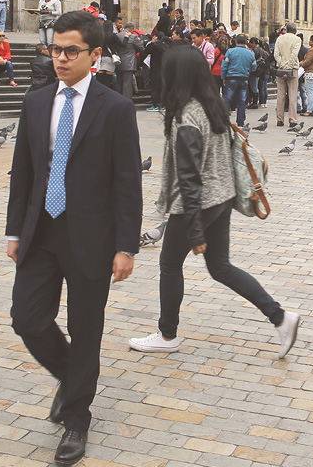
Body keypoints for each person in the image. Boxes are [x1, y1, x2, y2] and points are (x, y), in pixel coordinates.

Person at [5, 9, 141, 467]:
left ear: (95, 55)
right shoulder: (36, 101)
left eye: (70, 51)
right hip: (41, 231)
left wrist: (126, 246)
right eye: (54, 50)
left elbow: (127, 182)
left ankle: (76, 419)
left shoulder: (116, 108)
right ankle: (73, 378)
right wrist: (14, 230)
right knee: (27, 319)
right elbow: (23, 171)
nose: (60, 59)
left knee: (86, 330)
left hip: (92, 237)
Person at [128, 45, 299, 358]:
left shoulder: (186, 117)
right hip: (222, 198)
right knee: (220, 267)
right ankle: (280, 317)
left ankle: (167, 335)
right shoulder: (212, 105)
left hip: (197, 204)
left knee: (169, 264)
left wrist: (194, 231)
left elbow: (189, 178)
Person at [221, 34, 255, 126]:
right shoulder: (250, 53)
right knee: (242, 100)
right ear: (246, 42)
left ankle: (224, 120)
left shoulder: (230, 51)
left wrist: (223, 77)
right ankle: (240, 121)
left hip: (231, 78)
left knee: (227, 99)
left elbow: (224, 66)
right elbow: (254, 67)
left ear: (235, 41)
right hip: (244, 78)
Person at [273, 24, 301, 127]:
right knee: (292, 95)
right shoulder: (297, 39)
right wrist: (288, 66)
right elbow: (294, 54)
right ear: (295, 30)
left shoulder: (279, 38)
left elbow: (276, 54)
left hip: (281, 68)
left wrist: (282, 65)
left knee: (280, 94)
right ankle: (292, 119)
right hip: (292, 68)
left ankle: (279, 119)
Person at [108, 18, 141, 100]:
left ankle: (119, 100)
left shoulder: (117, 35)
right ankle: (126, 101)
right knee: (127, 84)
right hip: (129, 63)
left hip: (119, 62)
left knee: (119, 83)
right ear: (131, 29)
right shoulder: (133, 37)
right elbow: (141, 48)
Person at [247, 36, 270, 109]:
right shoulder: (264, 51)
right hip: (264, 70)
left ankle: (257, 102)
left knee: (258, 87)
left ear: (253, 43)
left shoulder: (255, 50)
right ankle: (263, 102)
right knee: (264, 87)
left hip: (257, 70)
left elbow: (253, 60)